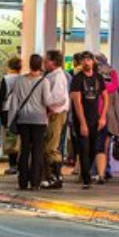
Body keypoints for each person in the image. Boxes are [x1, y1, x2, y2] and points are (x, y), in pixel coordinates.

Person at [7, 53, 50, 191]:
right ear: (41, 65)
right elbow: (47, 101)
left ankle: (23, 181)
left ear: (29, 65)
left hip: (23, 120)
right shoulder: (44, 82)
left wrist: (10, 121)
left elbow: (14, 102)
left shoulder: (20, 81)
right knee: (37, 151)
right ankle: (35, 182)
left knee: (24, 149)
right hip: (39, 120)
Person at [70, 51, 107, 189]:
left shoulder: (98, 78)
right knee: (83, 148)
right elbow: (77, 102)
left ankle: (87, 173)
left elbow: (105, 96)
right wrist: (82, 122)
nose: (86, 63)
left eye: (89, 60)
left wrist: (103, 116)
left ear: (93, 62)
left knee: (93, 148)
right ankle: (86, 178)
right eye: (84, 60)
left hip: (95, 119)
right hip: (81, 119)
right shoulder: (77, 79)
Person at [41, 49, 70, 189]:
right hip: (53, 113)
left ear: (53, 61)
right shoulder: (52, 75)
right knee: (49, 144)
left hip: (56, 113)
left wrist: (48, 104)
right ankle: (51, 175)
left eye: (46, 60)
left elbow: (59, 97)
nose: (44, 63)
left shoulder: (57, 76)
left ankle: (55, 176)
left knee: (52, 145)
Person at [95, 53, 119, 184]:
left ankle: (97, 170)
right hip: (110, 116)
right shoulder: (113, 79)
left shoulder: (93, 78)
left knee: (95, 143)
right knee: (106, 144)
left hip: (96, 114)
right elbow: (116, 103)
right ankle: (106, 169)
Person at [0, 57, 22, 175]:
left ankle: (12, 165)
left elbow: (1, 96)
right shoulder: (23, 79)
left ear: (9, 66)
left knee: (10, 137)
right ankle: (21, 163)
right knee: (20, 138)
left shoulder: (6, 79)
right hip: (20, 110)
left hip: (7, 110)